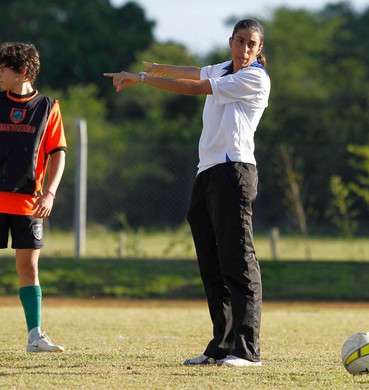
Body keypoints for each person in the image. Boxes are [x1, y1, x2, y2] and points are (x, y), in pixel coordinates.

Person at [104, 18, 270, 367]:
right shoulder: (225, 66)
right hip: (208, 172)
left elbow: (197, 88)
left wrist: (144, 79)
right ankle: (222, 346)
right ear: (231, 41)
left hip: (235, 170)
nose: (244, 49)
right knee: (211, 263)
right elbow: (196, 71)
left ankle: (247, 350)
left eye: (251, 44)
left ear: (259, 49)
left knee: (238, 260)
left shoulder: (253, 77)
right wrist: (162, 66)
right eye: (240, 41)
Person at [0, 42, 67, 354]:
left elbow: (58, 154)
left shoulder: (49, 107)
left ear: (21, 72)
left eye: (3, 68)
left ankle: (35, 336)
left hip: (29, 203)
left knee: (29, 269)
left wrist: (50, 193)